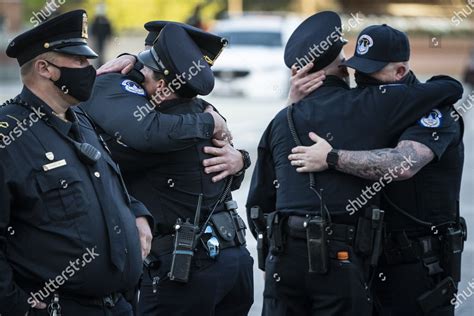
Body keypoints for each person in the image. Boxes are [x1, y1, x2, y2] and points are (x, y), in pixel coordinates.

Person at [246, 12, 464, 316]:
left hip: (417, 265)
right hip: (368, 262)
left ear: (400, 71)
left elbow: (404, 164)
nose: (361, 82)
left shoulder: (431, 114)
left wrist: (332, 158)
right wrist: (294, 105)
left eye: (370, 73)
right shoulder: (365, 105)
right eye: (356, 71)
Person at [81, 23, 253, 316]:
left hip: (187, 269)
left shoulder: (166, 127)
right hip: (232, 258)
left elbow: (137, 140)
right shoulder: (200, 114)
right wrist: (239, 157)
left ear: (161, 86)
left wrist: (239, 158)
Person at [1, 10, 153, 316]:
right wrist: (17, 306)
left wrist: (137, 214)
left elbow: (110, 183)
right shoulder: (10, 136)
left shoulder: (79, 117)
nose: (89, 69)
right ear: (45, 68)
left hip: (118, 304)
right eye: (79, 62)